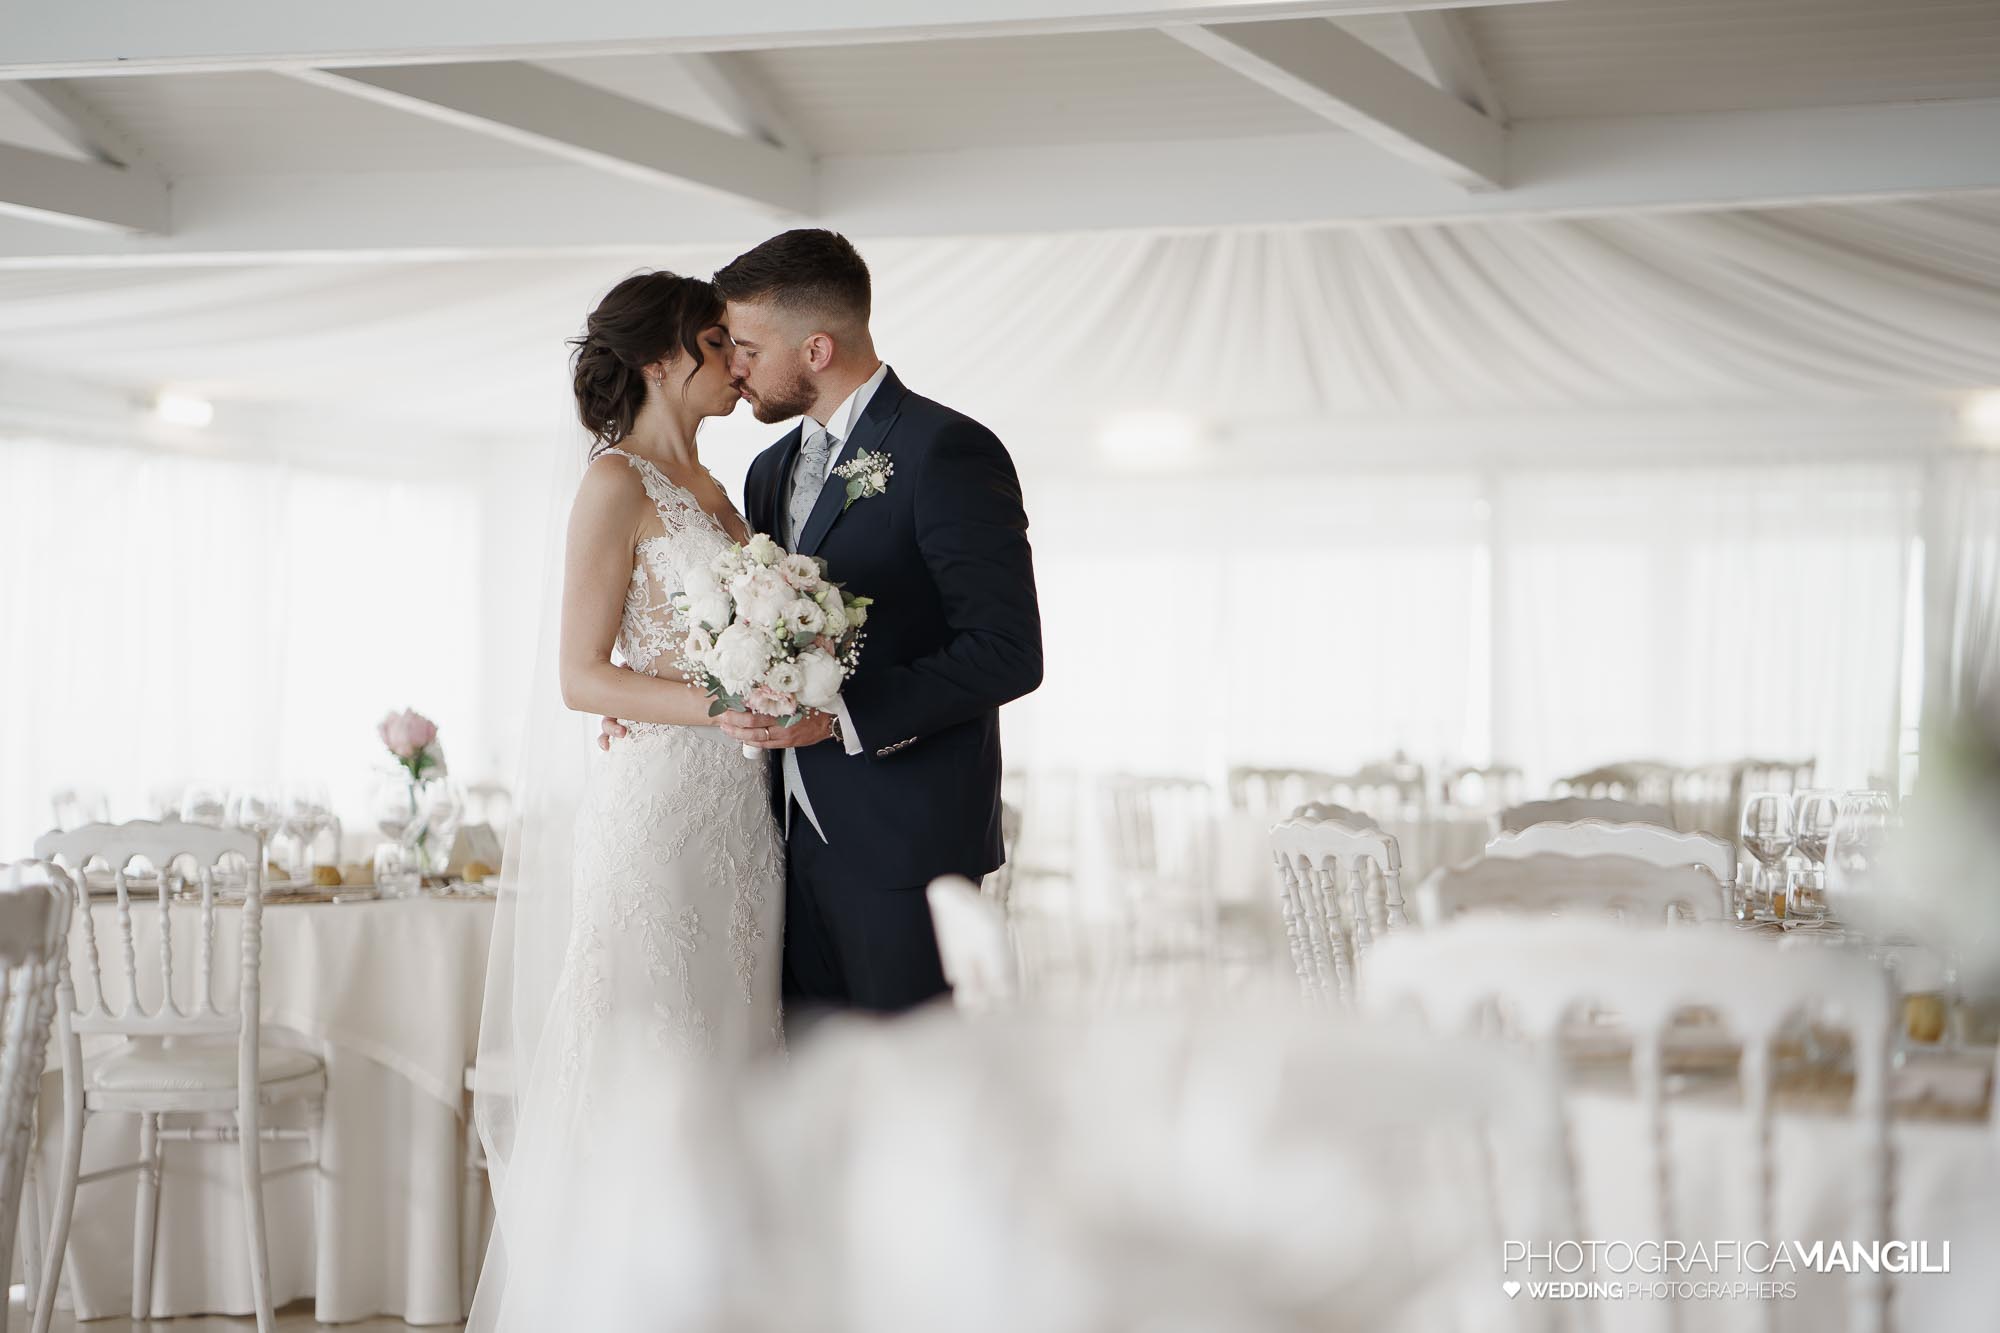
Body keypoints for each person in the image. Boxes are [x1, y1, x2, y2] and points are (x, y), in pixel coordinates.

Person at [603, 228, 1043, 1015]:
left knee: (908, 1099)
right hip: (772, 846)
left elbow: (1008, 651)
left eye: (744, 345)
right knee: (810, 1099)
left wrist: (840, 717)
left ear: (814, 350)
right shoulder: (765, 473)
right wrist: (659, 686)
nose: (734, 367)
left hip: (907, 847)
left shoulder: (947, 449)